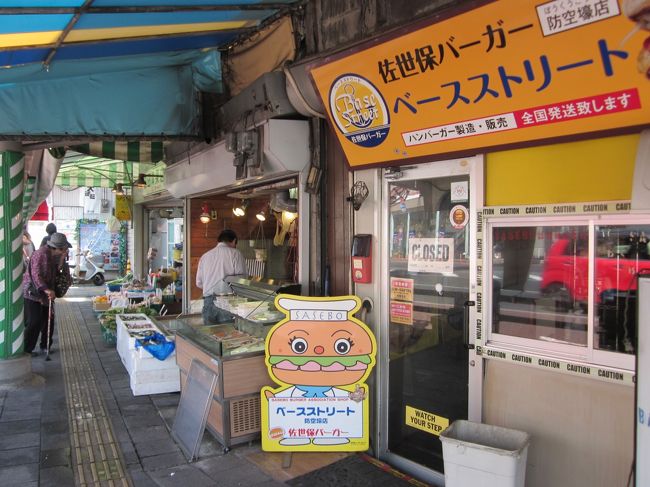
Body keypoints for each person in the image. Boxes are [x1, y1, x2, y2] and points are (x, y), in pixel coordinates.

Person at [23, 232, 70, 356]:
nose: (65, 250)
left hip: (46, 293)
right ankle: (27, 349)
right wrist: (46, 289)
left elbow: (57, 272)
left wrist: (62, 259)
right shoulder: (40, 254)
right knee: (35, 321)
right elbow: (36, 275)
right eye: (64, 248)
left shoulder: (53, 255)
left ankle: (45, 346)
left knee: (48, 320)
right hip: (33, 293)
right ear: (58, 248)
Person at [196, 229, 246, 324]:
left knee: (210, 336)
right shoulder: (236, 254)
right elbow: (242, 280)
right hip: (227, 302)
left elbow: (199, 283)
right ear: (234, 241)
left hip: (208, 302)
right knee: (228, 334)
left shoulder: (205, 256)